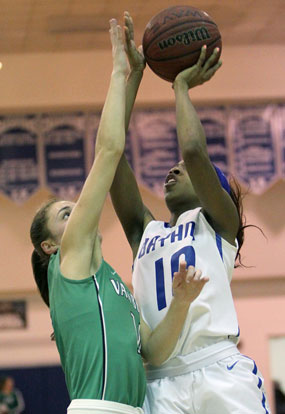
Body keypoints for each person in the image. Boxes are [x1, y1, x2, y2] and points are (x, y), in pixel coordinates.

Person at [30, 19, 208, 414]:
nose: (77, 211)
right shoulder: (68, 262)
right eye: (65, 213)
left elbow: (154, 353)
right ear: (50, 245)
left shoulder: (112, 281)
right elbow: (109, 152)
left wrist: (180, 303)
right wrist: (120, 70)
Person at [110, 12, 271, 414]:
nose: (173, 168)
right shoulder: (142, 231)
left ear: (208, 187)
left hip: (218, 369)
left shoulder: (219, 223)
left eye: (182, 171)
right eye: (173, 167)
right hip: (160, 380)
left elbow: (195, 151)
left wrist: (180, 86)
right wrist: (135, 77)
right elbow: (109, 158)